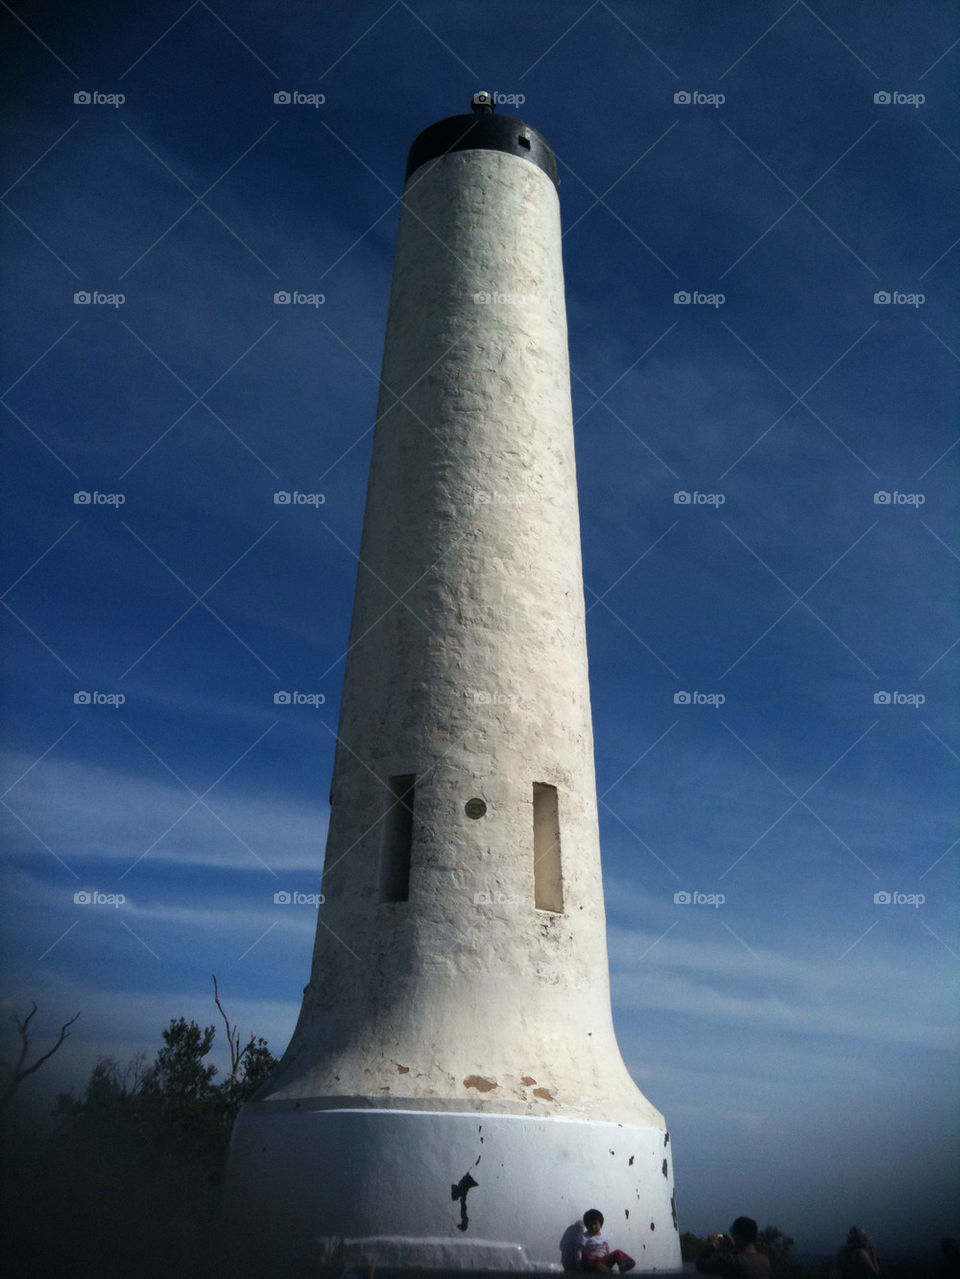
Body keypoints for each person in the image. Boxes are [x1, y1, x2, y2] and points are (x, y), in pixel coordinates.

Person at [695, 1216, 771, 1276]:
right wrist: (731, 1249)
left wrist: (712, 1245)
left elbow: (700, 1264)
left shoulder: (733, 1262)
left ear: (738, 1236)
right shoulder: (765, 1261)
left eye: (733, 1234)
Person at [577, 1208, 635, 1273]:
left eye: (595, 1224)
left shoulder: (604, 1236)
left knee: (617, 1252)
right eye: (590, 1224)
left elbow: (607, 1248)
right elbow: (580, 1250)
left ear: (600, 1225)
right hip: (592, 1263)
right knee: (587, 1256)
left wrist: (609, 1257)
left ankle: (624, 1265)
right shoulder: (585, 1237)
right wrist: (579, 1260)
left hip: (604, 1261)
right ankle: (604, 1270)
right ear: (587, 1225)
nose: (593, 1226)